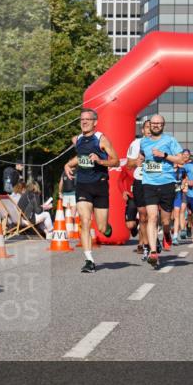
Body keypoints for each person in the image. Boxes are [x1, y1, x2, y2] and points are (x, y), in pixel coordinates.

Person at [63, 108, 119, 273]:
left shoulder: (101, 139)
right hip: (83, 186)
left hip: (100, 185)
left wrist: (100, 161)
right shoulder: (77, 139)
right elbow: (80, 158)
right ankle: (89, 260)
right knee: (85, 221)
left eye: (88, 119)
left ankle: (107, 228)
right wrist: (68, 164)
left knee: (101, 228)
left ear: (95, 122)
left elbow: (115, 161)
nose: (84, 122)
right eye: (82, 119)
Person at [139, 114, 187, 268]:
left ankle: (167, 232)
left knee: (165, 220)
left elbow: (181, 160)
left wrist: (164, 155)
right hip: (149, 183)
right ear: (149, 125)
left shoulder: (170, 140)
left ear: (163, 125)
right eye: (153, 123)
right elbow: (140, 158)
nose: (156, 125)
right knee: (152, 217)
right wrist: (138, 162)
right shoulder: (144, 142)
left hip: (167, 183)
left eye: (159, 123)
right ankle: (153, 252)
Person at [125, 120, 152, 257]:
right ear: (142, 130)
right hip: (140, 181)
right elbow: (128, 166)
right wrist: (136, 162)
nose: (149, 130)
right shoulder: (135, 144)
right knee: (143, 215)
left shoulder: (161, 143)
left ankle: (150, 241)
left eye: (151, 127)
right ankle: (145, 244)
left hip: (156, 182)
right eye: (147, 127)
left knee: (152, 215)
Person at [171, 149, 191, 242]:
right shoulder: (167, 169)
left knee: (177, 213)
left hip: (178, 193)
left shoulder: (182, 169)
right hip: (167, 194)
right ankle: (167, 234)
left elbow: (185, 178)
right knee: (166, 217)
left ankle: (175, 236)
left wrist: (183, 183)